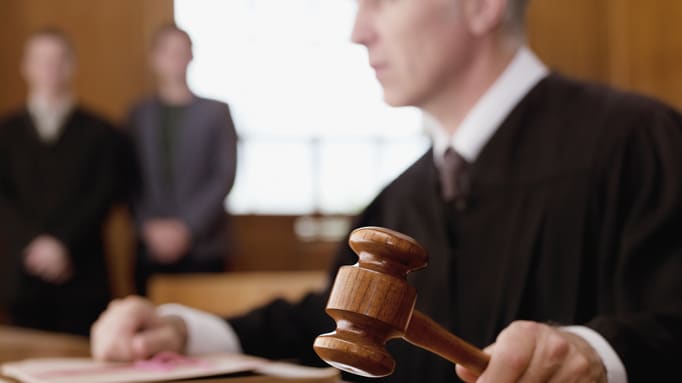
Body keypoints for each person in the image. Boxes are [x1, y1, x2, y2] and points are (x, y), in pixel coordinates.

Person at [91, 1, 682, 382]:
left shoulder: (638, 141)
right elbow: (333, 323)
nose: (356, 31)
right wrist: (183, 333)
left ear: (481, 5)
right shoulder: (400, 198)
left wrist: (594, 355)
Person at [0, 28, 124, 336]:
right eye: (41, 61)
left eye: (58, 60)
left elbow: (104, 194)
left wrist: (62, 243)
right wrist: (34, 244)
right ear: (25, 67)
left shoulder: (102, 133)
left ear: (72, 66)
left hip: (83, 275)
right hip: (21, 274)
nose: (49, 69)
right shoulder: (5, 133)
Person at [128, 25, 238, 295]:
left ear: (191, 56)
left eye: (181, 51)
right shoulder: (137, 115)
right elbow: (128, 178)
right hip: (149, 246)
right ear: (154, 58)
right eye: (167, 52)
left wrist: (186, 227)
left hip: (204, 245)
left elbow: (224, 175)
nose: (174, 59)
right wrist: (149, 226)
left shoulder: (216, 112)